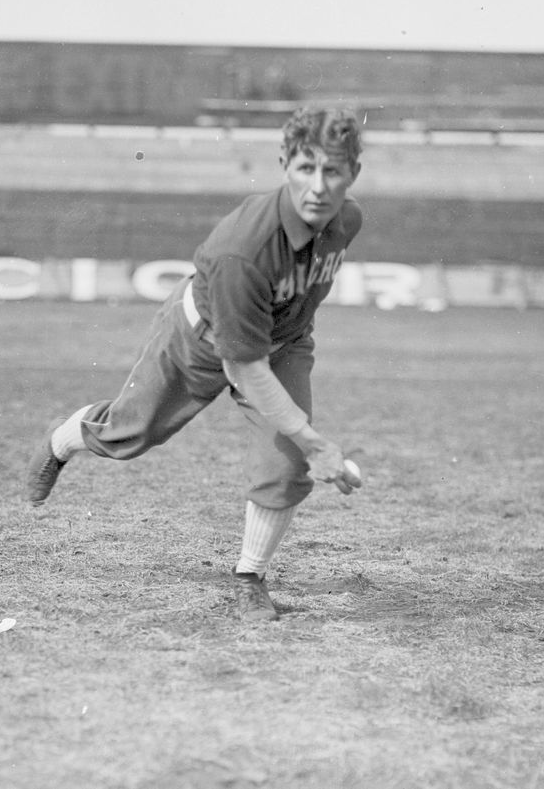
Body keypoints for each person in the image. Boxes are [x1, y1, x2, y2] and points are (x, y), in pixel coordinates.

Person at [25, 107, 366, 622]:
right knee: (128, 433)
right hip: (202, 339)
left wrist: (301, 439)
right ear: (283, 164)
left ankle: (250, 577)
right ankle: (61, 439)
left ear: (353, 174)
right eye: (305, 168)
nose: (318, 187)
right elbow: (245, 368)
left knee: (286, 463)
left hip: (284, 342)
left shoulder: (348, 221)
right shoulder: (243, 251)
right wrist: (315, 440)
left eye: (333, 171)